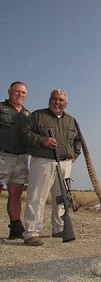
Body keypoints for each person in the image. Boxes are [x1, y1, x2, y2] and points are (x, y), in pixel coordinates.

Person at [22, 89, 81, 246]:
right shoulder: (37, 115)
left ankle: (59, 228)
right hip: (42, 162)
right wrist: (43, 140)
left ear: (65, 103)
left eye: (61, 100)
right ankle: (31, 233)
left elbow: (78, 140)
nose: (57, 102)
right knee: (37, 197)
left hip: (65, 164)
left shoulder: (71, 120)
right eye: (54, 99)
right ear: (49, 100)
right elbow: (24, 133)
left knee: (62, 199)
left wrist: (74, 154)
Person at [0, 81, 30, 239]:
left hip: (21, 158)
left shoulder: (28, 115)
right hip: (2, 156)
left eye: (23, 92)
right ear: (9, 91)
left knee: (16, 194)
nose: (20, 94)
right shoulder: (1, 108)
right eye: (17, 91)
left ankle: (16, 227)